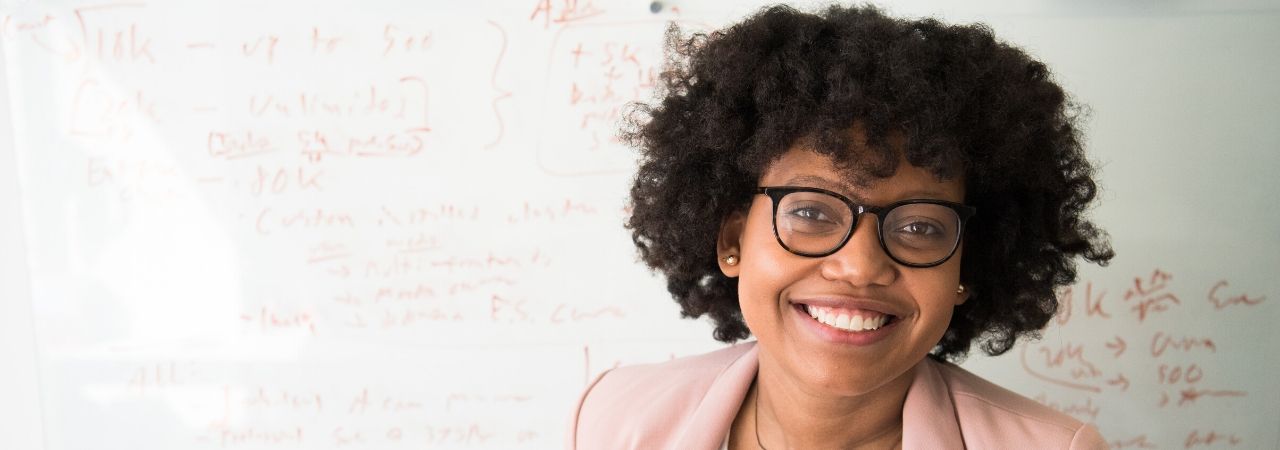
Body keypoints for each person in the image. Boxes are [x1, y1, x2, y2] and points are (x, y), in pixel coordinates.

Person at [566, 4, 1114, 449]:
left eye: (920, 227)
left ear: (966, 265)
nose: (860, 266)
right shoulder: (610, 419)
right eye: (810, 213)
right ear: (733, 241)